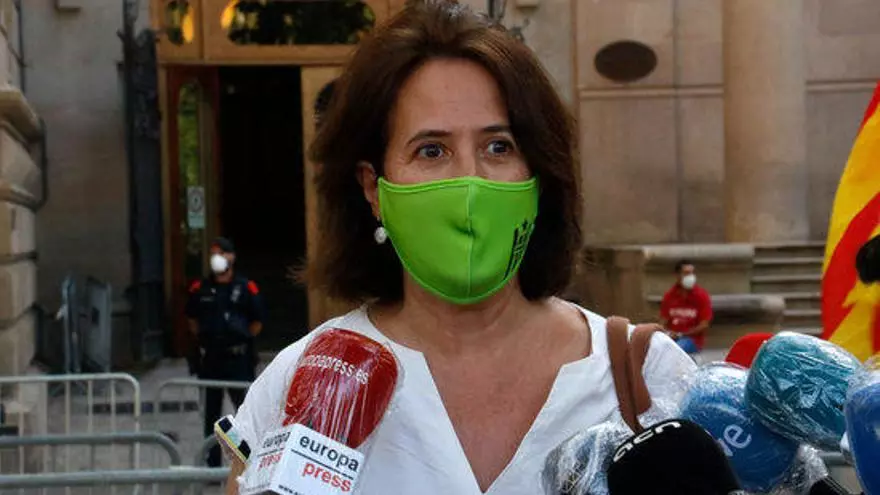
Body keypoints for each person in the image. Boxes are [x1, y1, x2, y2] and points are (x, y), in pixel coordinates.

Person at [220, 2, 695, 493]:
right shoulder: (298, 383)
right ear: (372, 188)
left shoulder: (648, 379)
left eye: (498, 147)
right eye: (431, 150)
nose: (469, 180)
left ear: (538, 173)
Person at [185, 237, 265, 468]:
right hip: (211, 359)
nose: (217, 258)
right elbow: (192, 319)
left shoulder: (245, 287)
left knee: (245, 413)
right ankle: (212, 466)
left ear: (232, 257)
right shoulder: (200, 288)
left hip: (238, 360)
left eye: (221, 253)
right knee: (212, 416)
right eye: (213, 253)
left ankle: (247, 463)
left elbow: (257, 322)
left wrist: (241, 340)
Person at [660, 259, 713, 354]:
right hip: (671, 337)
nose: (690, 276)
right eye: (686, 273)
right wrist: (667, 333)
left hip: (692, 340)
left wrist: (681, 334)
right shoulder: (670, 296)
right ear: (678, 275)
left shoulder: (701, 296)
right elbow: (663, 321)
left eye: (692, 273)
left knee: (676, 349)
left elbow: (704, 325)